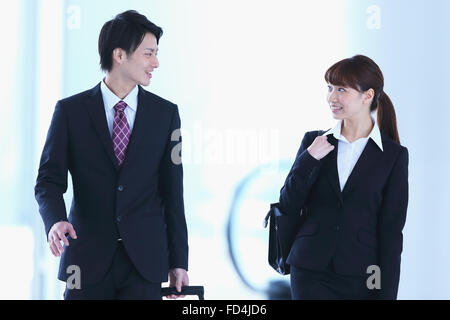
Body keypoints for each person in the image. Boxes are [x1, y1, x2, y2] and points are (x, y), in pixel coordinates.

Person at [35, 10, 189, 300]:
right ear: (120, 55)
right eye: (148, 54)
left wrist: (179, 261)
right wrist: (55, 220)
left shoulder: (166, 115)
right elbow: (48, 180)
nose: (155, 63)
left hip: (145, 263)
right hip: (85, 262)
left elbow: (173, 192)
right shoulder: (71, 112)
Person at [279, 55, 408, 300]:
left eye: (341, 89)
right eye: (329, 88)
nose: (331, 97)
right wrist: (309, 159)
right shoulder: (314, 142)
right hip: (309, 272)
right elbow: (288, 204)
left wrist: (387, 294)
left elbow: (391, 232)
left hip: (362, 277)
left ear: (367, 95)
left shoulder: (393, 156)